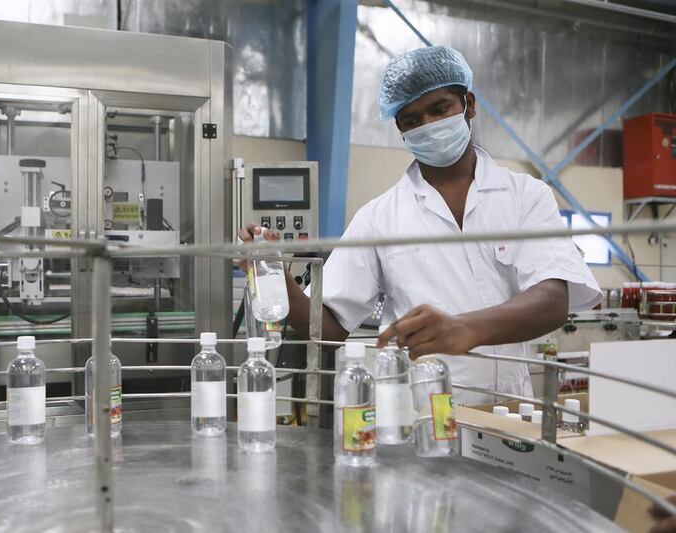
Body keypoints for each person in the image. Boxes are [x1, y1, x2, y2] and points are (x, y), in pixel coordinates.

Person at [239, 45, 601, 403]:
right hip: (417, 416)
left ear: (469, 105)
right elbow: (329, 327)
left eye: (439, 109)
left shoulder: (526, 195)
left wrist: (465, 328)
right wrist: (276, 273)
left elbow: (552, 300)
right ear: (401, 131)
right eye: (411, 120)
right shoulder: (379, 217)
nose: (428, 126)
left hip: (504, 410)